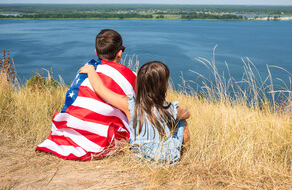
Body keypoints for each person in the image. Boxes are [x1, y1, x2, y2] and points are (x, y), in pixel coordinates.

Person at [36, 29, 136, 161]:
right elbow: (133, 106)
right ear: (120, 53)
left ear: (96, 52)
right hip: (100, 138)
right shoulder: (126, 74)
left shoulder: (85, 69)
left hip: (70, 128)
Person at [79, 61, 190, 165]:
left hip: (140, 158)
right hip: (169, 158)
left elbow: (101, 89)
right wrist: (175, 113)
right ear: (163, 86)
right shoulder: (171, 109)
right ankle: (186, 154)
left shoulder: (130, 106)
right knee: (182, 122)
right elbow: (187, 114)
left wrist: (91, 71)